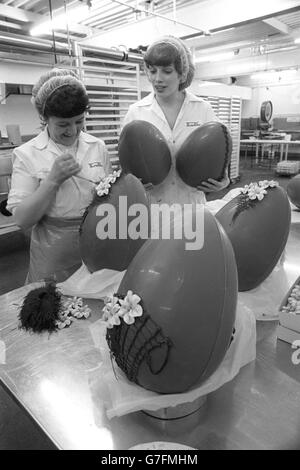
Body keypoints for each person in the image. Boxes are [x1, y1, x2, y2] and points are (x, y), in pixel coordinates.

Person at [7, 68, 111, 283]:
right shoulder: (28, 154)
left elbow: (109, 196)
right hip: (53, 251)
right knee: (53, 306)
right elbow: (22, 219)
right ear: (44, 118)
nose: (72, 131)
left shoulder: (97, 146)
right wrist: (53, 180)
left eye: (79, 121)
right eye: (63, 124)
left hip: (96, 242)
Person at [122, 35, 230, 206]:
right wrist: (130, 183)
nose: (157, 79)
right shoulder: (136, 112)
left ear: (182, 73)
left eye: (167, 71)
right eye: (152, 70)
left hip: (192, 206)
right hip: (151, 207)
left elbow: (219, 153)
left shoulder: (202, 109)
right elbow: (126, 167)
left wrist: (223, 180)